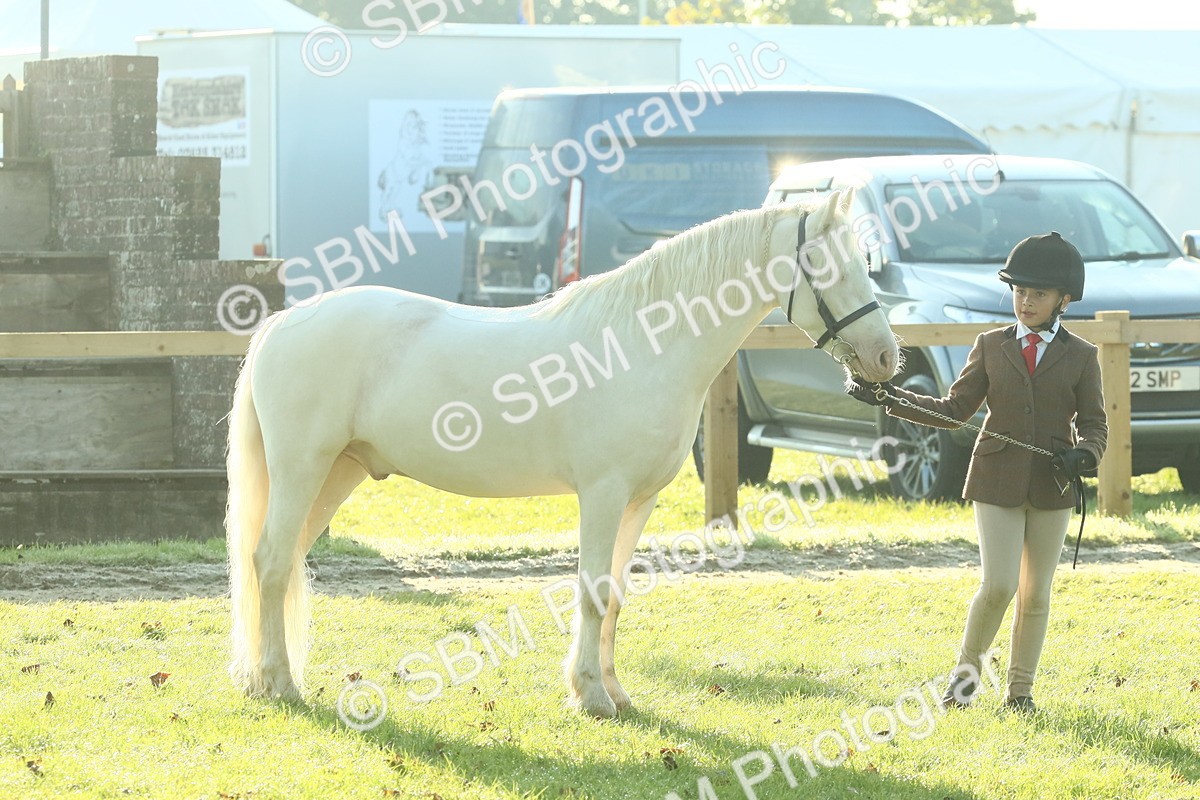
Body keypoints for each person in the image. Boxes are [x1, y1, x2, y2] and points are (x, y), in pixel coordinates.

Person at [848, 231, 1108, 713]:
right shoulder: (990, 345)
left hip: (1053, 484)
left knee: (1036, 594)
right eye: (1019, 291)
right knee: (1000, 585)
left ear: (1063, 300)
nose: (1025, 301)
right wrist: (889, 396)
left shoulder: (1083, 356)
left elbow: (1095, 424)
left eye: (1038, 294)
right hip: (995, 478)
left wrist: (1086, 454)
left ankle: (1020, 692)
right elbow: (953, 409)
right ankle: (963, 681)